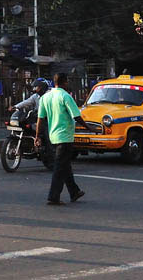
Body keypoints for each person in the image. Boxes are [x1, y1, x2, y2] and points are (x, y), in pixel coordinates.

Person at [36, 72, 100, 205]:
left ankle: (74, 191)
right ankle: (53, 196)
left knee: (64, 165)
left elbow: (40, 119)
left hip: (52, 137)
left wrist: (37, 136)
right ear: (65, 82)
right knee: (60, 167)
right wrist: (89, 128)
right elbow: (76, 115)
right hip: (64, 137)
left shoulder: (45, 97)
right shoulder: (65, 96)